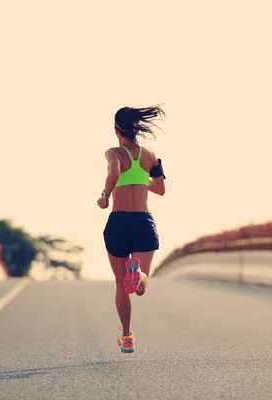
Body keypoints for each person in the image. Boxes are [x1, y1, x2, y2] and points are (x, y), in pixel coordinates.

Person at [97, 105, 166, 353]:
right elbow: (160, 189)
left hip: (118, 222)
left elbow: (115, 171)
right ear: (136, 129)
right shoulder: (149, 155)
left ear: (116, 130)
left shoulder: (113, 152)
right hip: (143, 222)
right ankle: (139, 273)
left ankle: (127, 336)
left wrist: (105, 195)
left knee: (119, 282)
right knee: (139, 287)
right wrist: (140, 177)